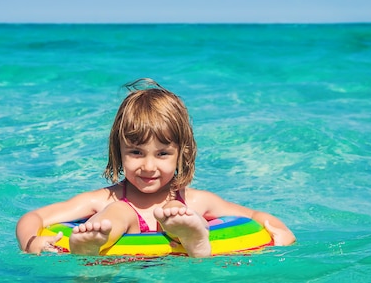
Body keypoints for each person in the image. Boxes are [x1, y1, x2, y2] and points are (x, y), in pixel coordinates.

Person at [16, 78, 296, 257]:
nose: (148, 166)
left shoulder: (195, 201)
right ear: (119, 151)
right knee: (119, 212)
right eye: (136, 153)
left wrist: (281, 234)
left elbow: (255, 216)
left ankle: (195, 241)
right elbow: (34, 217)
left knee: (181, 218)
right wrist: (31, 243)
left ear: (180, 154)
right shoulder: (106, 200)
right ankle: (91, 246)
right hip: (116, 269)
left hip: (180, 263)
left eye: (162, 154)